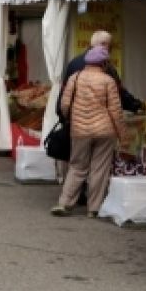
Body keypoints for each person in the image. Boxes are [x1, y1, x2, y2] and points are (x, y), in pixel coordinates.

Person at [51, 46, 125, 217]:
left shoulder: (75, 78)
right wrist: (122, 134)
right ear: (104, 63)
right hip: (104, 131)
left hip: (80, 130)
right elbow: (115, 110)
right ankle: (94, 208)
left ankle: (65, 203)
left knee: (77, 166)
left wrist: (70, 118)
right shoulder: (108, 81)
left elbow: (64, 104)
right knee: (99, 169)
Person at [59, 30, 143, 114]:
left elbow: (64, 96)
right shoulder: (107, 68)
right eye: (110, 47)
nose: (111, 51)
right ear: (104, 45)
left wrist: (67, 120)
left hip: (76, 121)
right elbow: (119, 95)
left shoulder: (73, 63)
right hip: (99, 122)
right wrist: (138, 105)